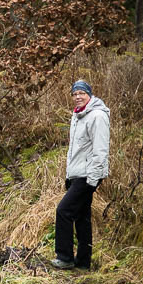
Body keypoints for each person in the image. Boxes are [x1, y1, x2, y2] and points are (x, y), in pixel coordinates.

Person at [51, 79, 110, 270]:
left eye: (81, 93)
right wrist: (69, 175)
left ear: (89, 95)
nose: (77, 97)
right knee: (82, 217)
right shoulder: (77, 116)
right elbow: (75, 150)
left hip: (88, 175)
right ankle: (84, 263)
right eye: (74, 94)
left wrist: (93, 179)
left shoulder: (97, 116)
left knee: (64, 211)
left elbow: (100, 151)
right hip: (77, 174)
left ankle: (65, 257)